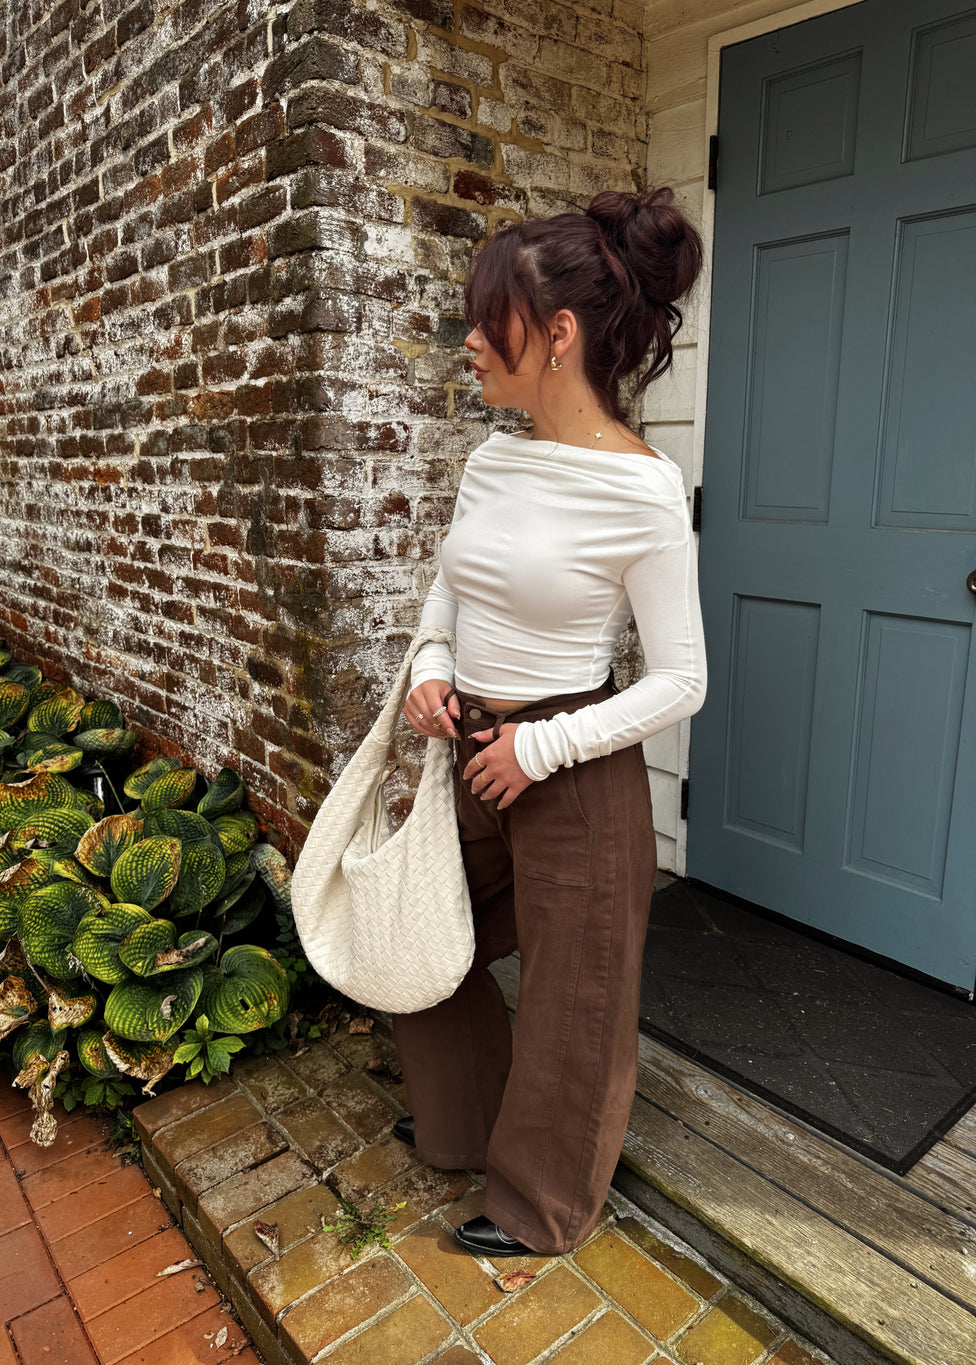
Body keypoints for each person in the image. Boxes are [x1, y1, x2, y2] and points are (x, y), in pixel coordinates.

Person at [391, 186, 708, 1258]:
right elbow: (451, 589)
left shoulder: (645, 493)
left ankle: (537, 1207)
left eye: (492, 322)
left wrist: (542, 745)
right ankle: (466, 1126)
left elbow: (681, 679)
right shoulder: (494, 456)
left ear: (559, 335)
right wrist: (430, 663)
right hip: (468, 751)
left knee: (577, 1005)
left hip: (569, 765)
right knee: (422, 950)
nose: (470, 342)